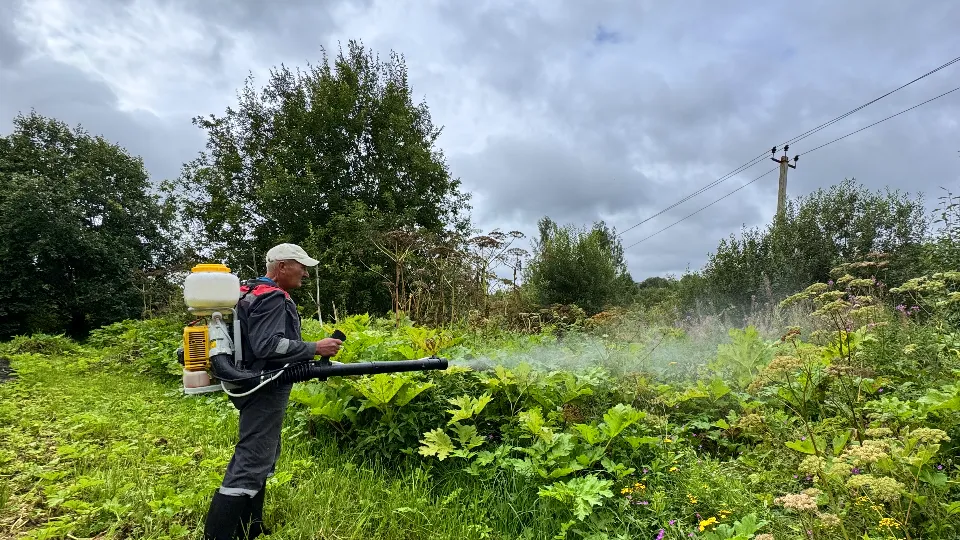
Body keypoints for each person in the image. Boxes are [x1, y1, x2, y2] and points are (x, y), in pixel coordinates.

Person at [204, 243, 343, 539]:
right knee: (252, 457)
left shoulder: (250, 291)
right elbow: (269, 345)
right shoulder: (273, 298)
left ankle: (250, 527)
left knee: (263, 452)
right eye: (301, 266)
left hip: (253, 381)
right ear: (281, 267)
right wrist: (314, 347)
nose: (305, 273)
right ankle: (218, 535)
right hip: (264, 384)